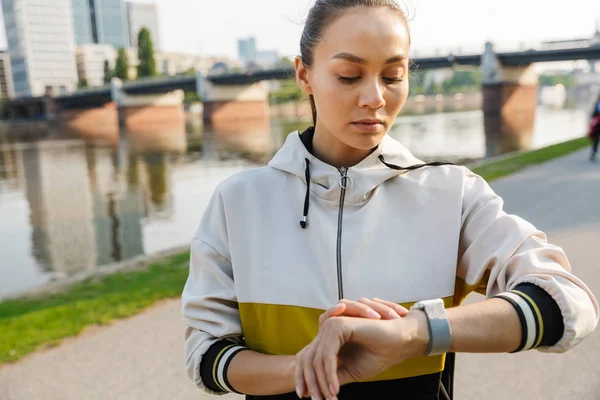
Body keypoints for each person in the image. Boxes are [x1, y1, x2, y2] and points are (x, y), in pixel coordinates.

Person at [181, 1, 599, 399]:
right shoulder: (239, 202)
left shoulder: (452, 194)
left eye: (393, 75)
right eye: (349, 75)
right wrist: (308, 369)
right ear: (304, 75)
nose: (375, 97)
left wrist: (414, 332)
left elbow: (569, 304)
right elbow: (205, 353)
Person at [589, 93, 600, 161]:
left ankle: (593, 153)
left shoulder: (597, 104)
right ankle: (593, 153)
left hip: (597, 123)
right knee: (596, 139)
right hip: (598, 124)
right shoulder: (597, 104)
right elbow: (593, 114)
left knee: (596, 139)